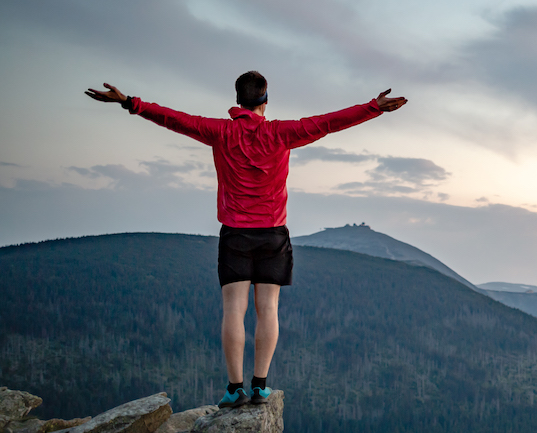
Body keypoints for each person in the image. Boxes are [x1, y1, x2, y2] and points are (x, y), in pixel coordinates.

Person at [85, 72, 407, 407]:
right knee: (268, 309)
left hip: (235, 233)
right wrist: (373, 108)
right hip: (273, 234)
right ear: (265, 100)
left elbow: (175, 119)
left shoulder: (220, 131)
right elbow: (326, 123)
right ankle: (260, 386)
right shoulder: (282, 133)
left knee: (233, 311)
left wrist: (129, 102)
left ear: (238, 100)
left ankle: (235, 388)